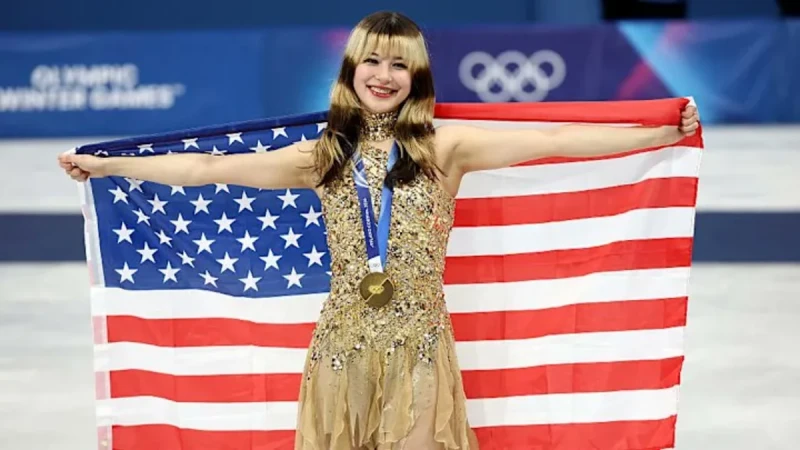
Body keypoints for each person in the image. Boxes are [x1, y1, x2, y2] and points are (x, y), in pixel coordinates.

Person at [58, 11, 699, 450]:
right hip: (340, 343)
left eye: (399, 64)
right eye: (372, 60)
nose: (384, 75)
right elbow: (207, 168)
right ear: (350, 69)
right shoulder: (321, 156)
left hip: (421, 345)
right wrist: (107, 163)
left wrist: (662, 128)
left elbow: (555, 139)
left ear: (416, 75)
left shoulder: (446, 148)